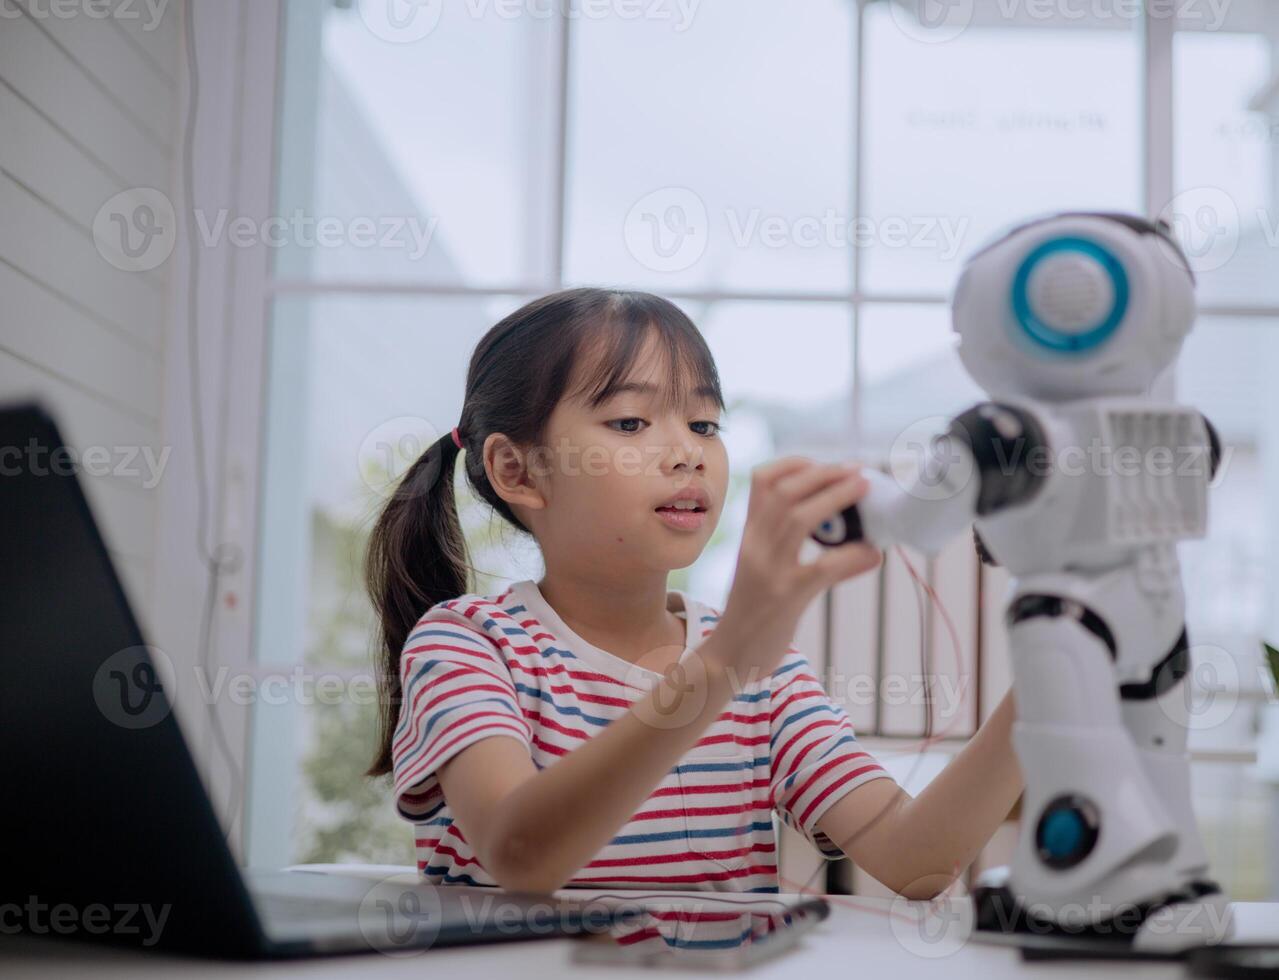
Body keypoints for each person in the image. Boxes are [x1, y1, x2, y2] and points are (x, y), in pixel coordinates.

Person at [365, 287, 1022, 898]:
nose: (688, 453)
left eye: (706, 425)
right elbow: (521, 857)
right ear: (516, 469)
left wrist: (1056, 678)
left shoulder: (764, 673)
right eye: (629, 423)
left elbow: (916, 862)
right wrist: (723, 664)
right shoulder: (469, 644)